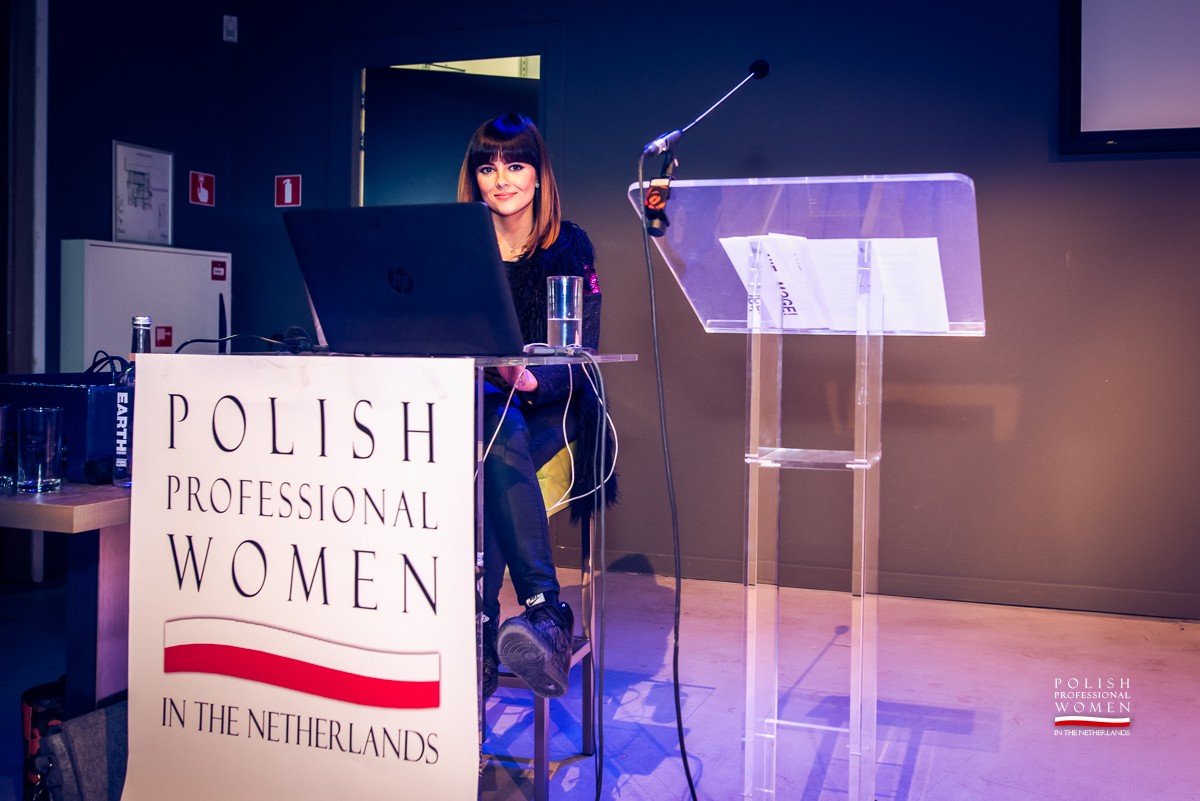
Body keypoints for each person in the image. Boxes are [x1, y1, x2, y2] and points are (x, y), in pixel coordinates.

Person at [457, 113, 614, 699]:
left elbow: (582, 353)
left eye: (515, 165)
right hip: (476, 405)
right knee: (494, 431)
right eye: (487, 167)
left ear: (539, 174)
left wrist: (527, 380)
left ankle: (481, 627)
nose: (501, 179)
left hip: (554, 408)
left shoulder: (568, 245)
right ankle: (545, 612)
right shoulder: (459, 247)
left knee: (497, 445)